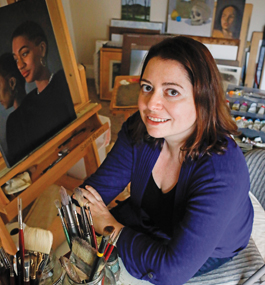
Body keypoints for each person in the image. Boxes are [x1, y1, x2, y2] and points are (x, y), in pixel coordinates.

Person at [79, 36, 253, 284]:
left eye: (172, 92)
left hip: (211, 250)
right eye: (147, 87)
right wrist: (80, 205)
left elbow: (172, 272)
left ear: (202, 97)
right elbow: (91, 193)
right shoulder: (140, 130)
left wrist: (110, 227)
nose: (151, 104)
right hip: (150, 223)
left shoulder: (222, 171)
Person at [6, 21, 76, 167]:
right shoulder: (27, 105)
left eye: (24, 53)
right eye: (16, 59)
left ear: (42, 49)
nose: (20, 65)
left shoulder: (63, 82)